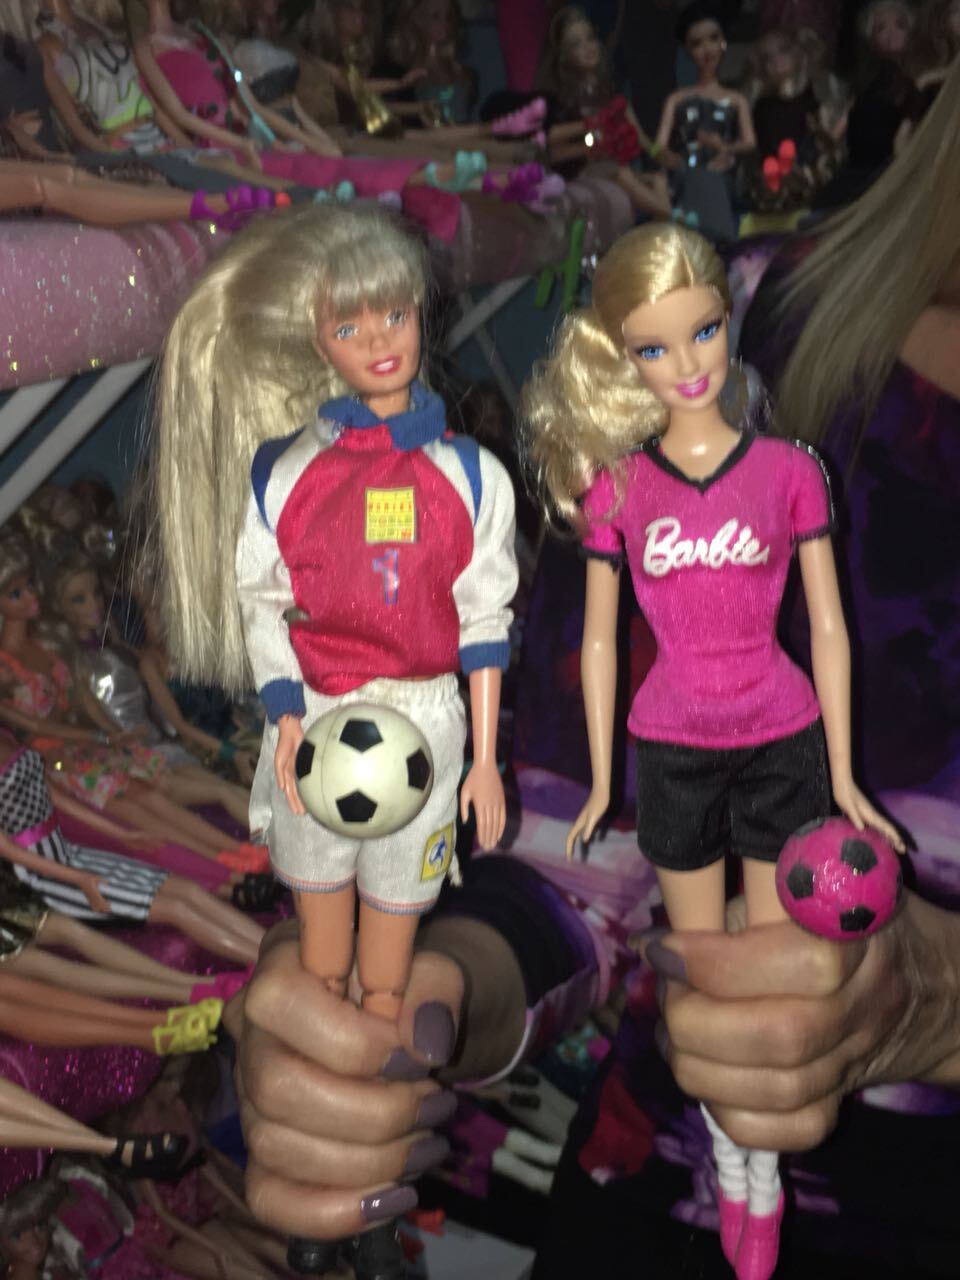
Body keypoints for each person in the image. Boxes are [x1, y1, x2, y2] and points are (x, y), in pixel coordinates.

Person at [235, 60, 960, 1280]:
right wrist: (428, 991)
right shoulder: (762, 328)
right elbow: (579, 857)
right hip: (648, 1200)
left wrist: (942, 1002)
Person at [149, 201, 517, 1277]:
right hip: (315, 721)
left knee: (387, 981)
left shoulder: (470, 475)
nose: (378, 341)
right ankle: (343, 1195)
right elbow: (264, 604)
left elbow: (485, 620)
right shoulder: (285, 473)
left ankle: (370, 1190)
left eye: (392, 315)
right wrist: (283, 716)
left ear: (418, 313)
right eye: (350, 326)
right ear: (320, 340)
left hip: (426, 724)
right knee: (317, 972)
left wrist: (484, 760)